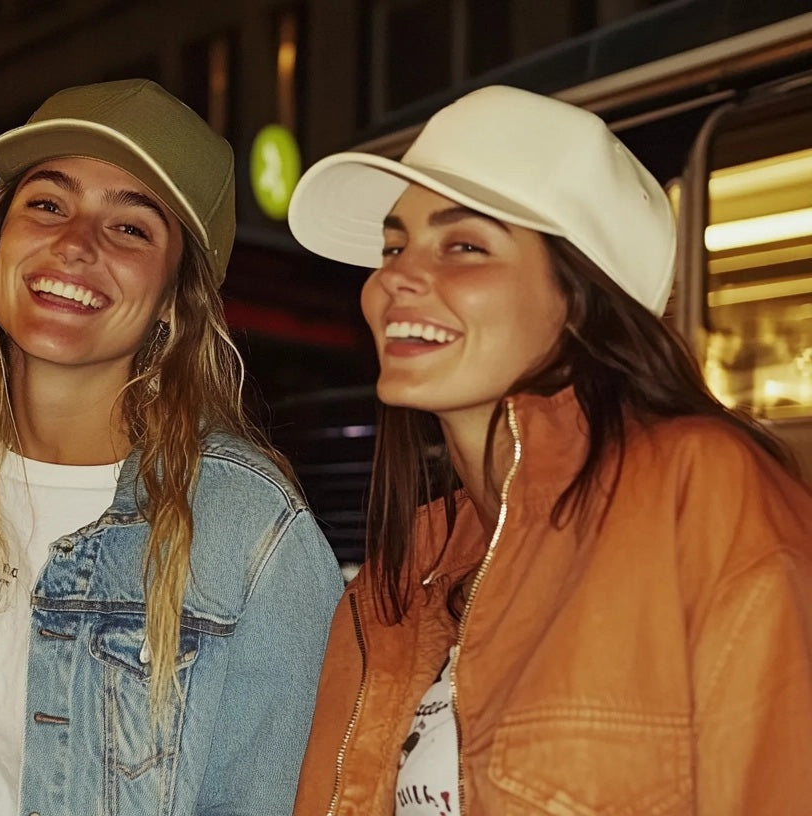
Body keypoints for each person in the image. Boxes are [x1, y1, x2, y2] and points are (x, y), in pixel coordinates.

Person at [0, 79, 343, 815]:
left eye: (131, 228)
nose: (75, 243)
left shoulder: (247, 528)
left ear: (173, 298)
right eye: (48, 204)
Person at [285, 85, 812, 815]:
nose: (395, 277)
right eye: (393, 246)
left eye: (463, 246)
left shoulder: (703, 493)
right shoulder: (390, 585)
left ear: (580, 297)